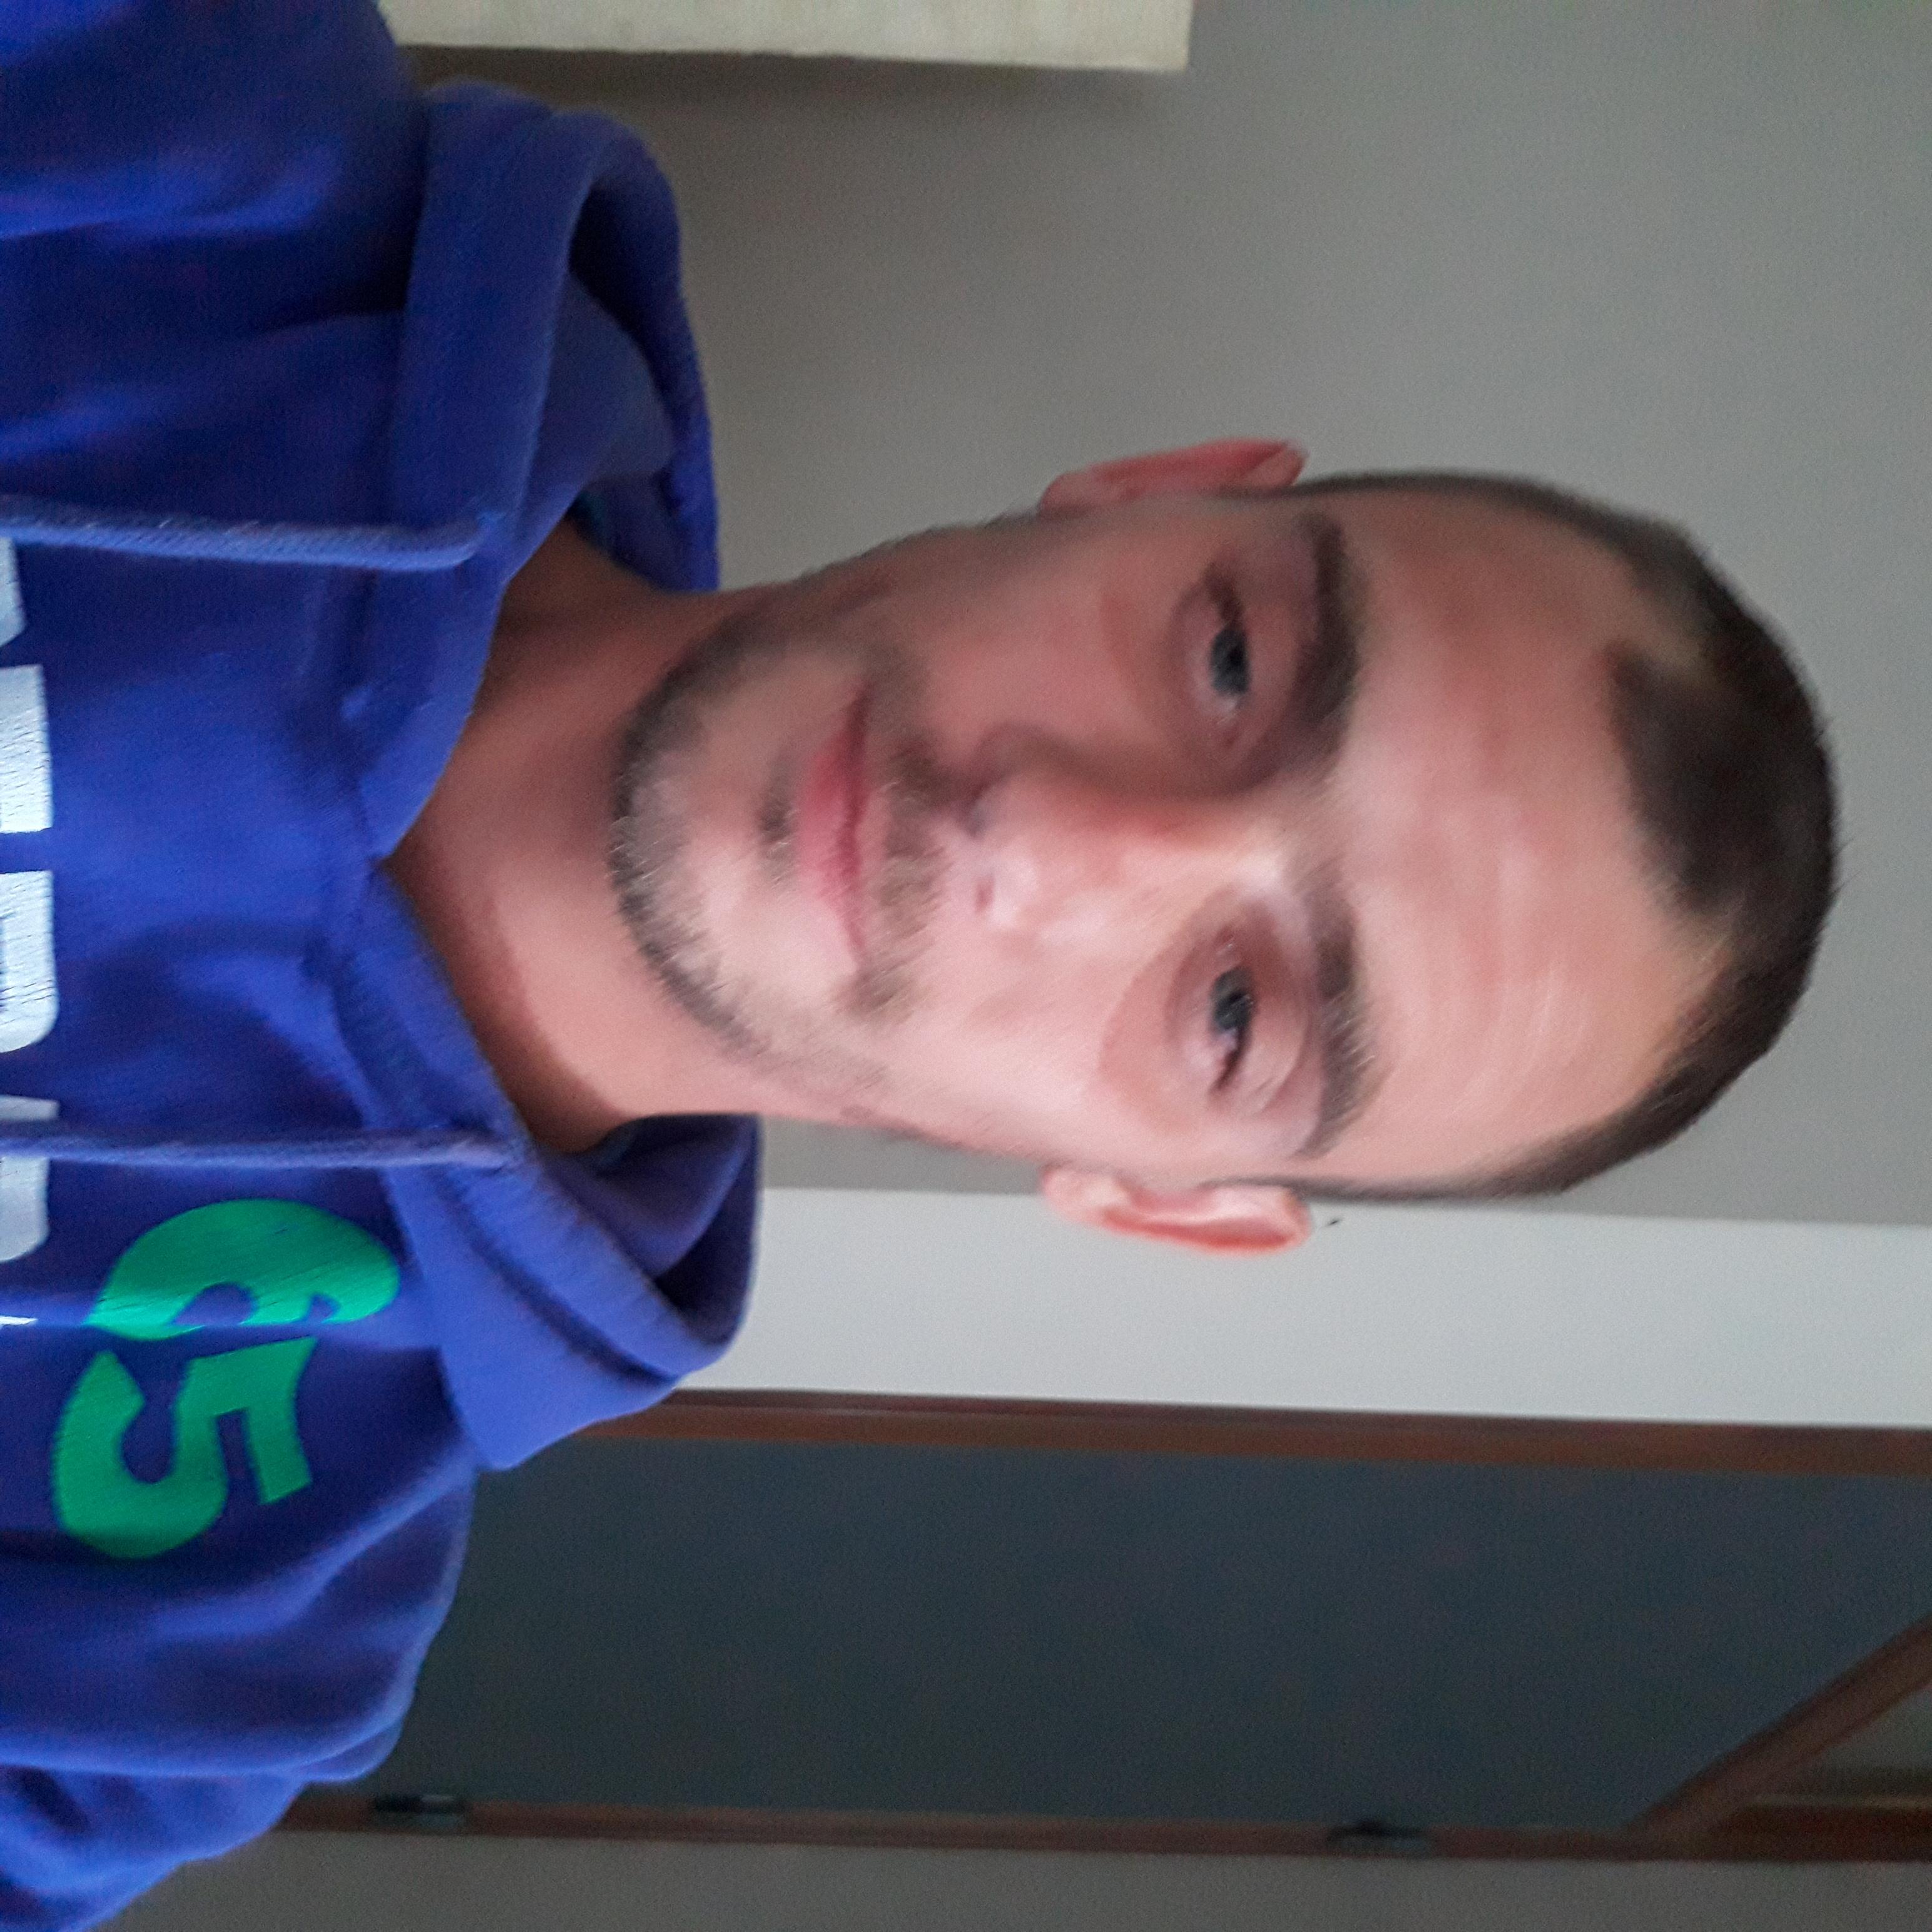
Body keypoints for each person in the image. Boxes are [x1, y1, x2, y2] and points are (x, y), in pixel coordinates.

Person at [0, 3, 1835, 1925]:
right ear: (1154, 488)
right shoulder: (197, 118)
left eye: (1237, 1010)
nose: (1049, 838)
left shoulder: (199, 1659)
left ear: (1158, 1199)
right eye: (1230, 662)